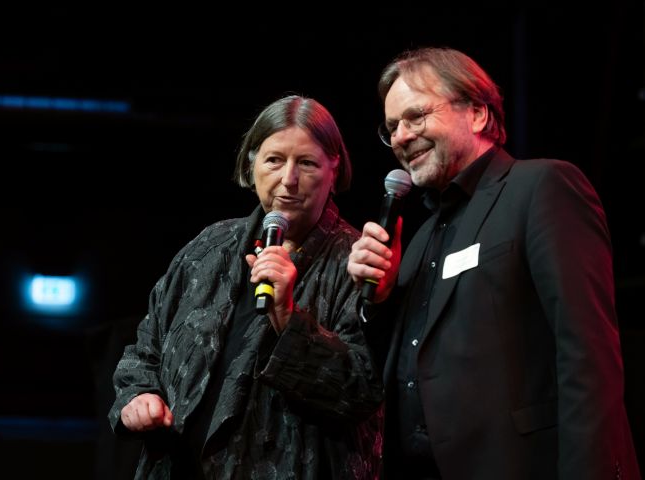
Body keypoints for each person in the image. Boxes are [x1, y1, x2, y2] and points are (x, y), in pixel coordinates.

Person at [347, 46, 641, 480]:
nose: (402, 137)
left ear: (478, 113)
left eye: (417, 116)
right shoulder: (421, 236)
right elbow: (401, 366)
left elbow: (587, 355)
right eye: (392, 127)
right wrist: (380, 300)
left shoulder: (540, 187)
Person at [109, 94, 384, 479]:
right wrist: (138, 395)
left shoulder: (356, 262)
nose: (288, 179)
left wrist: (288, 317)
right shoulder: (210, 247)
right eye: (274, 160)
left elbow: (361, 393)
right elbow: (145, 346)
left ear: (333, 170)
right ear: (252, 162)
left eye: (306, 163)